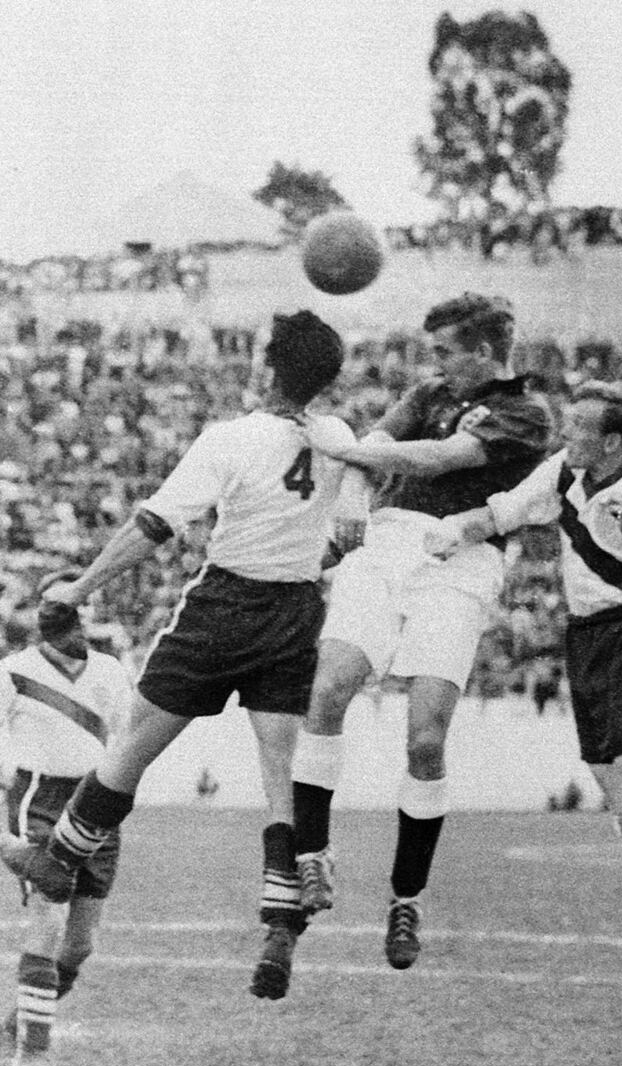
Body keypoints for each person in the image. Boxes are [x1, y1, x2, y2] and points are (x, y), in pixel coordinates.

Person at [0, 309, 358, 1004]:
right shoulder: (341, 439)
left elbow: (153, 526)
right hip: (295, 609)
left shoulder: (232, 437)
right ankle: (280, 920)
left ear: (266, 366)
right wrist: (302, 555)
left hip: (224, 608)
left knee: (133, 746)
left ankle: (59, 858)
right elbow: (349, 535)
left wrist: (79, 585)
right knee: (279, 773)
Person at [424, 379, 622, 1049]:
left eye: (579, 426)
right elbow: (507, 512)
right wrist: (449, 533)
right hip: (584, 642)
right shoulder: (567, 471)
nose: (566, 435)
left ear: (614, 441)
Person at [292, 292, 553, 972]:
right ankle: (311, 856)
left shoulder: (526, 413)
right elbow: (375, 446)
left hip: (458, 559)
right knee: (329, 689)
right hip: (385, 544)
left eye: (445, 352)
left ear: (486, 353)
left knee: (427, 737)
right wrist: (352, 485)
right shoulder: (429, 391)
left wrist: (344, 444)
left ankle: (405, 898)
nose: (434, 364)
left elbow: (439, 458)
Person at [0, 576, 131, 1066]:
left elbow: (125, 738)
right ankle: (32, 1055)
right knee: (48, 917)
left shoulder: (111, 671)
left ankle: (19, 1024)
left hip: (97, 801)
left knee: (81, 943)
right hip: (40, 798)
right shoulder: (13, 671)